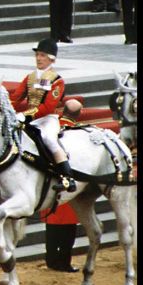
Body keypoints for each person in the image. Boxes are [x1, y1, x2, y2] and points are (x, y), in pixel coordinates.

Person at [9, 38, 77, 192]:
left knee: (49, 139)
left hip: (47, 119)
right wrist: (6, 108)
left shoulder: (56, 80)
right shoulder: (30, 77)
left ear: (51, 59)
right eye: (37, 55)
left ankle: (67, 177)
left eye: (42, 56)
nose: (38, 59)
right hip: (30, 118)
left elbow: (48, 107)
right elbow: (15, 97)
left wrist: (25, 115)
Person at [41, 99, 83, 273]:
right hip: (68, 185)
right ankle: (64, 262)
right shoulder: (78, 133)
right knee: (67, 232)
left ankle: (51, 260)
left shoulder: (50, 128)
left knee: (51, 229)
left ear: (63, 110)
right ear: (79, 114)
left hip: (50, 183)